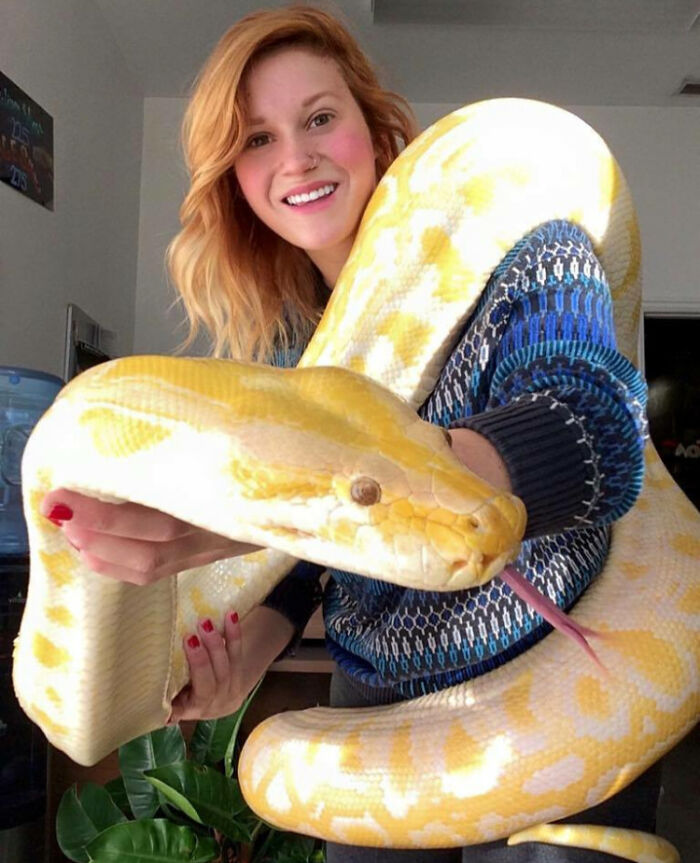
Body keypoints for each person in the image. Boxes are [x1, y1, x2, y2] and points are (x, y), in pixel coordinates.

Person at [41, 5, 657, 860]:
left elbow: (596, 430)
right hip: (374, 709)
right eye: (257, 139)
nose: (295, 156)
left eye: (320, 117)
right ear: (233, 179)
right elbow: (313, 564)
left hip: (562, 679)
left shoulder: (529, 239)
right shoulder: (301, 362)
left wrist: (323, 502)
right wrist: (251, 646)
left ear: (376, 124)